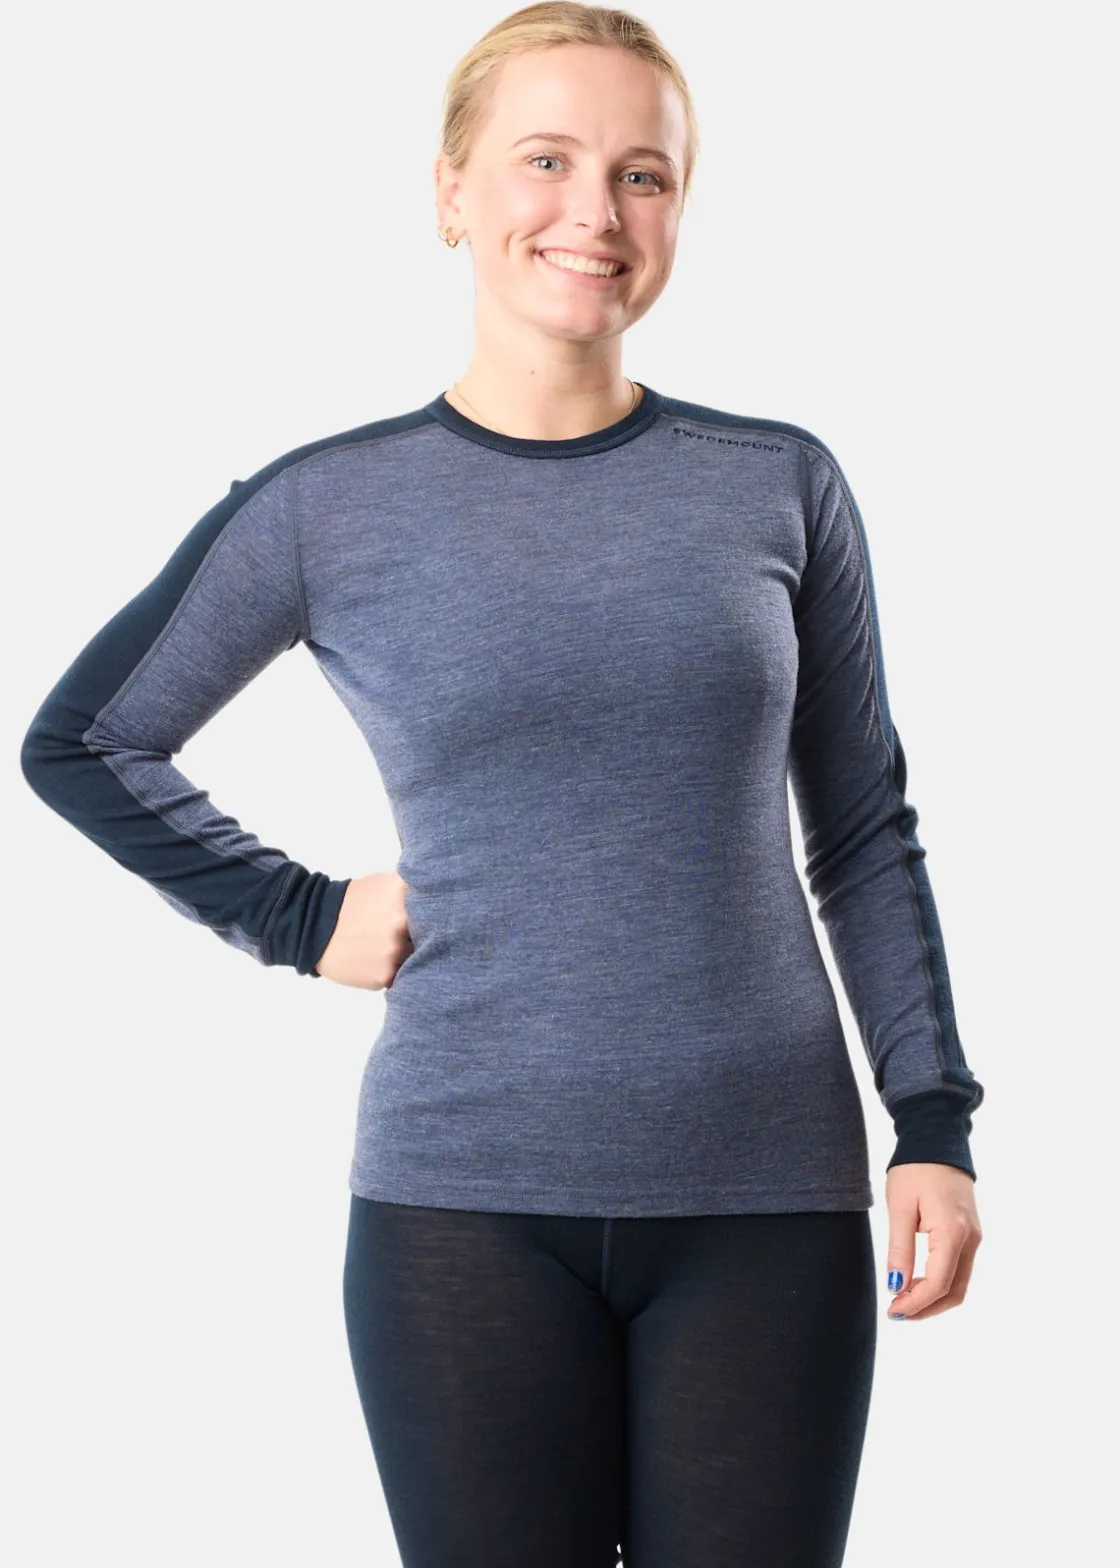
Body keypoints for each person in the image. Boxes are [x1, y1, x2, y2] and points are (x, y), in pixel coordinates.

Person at [19, 3, 985, 1564]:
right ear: (451, 190)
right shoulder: (327, 506)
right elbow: (83, 742)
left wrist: (931, 1121)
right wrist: (293, 914)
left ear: (679, 208)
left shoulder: (779, 484)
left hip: (765, 1203)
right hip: (460, 1211)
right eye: (547, 160)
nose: (594, 211)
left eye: (642, 174)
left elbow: (865, 830)